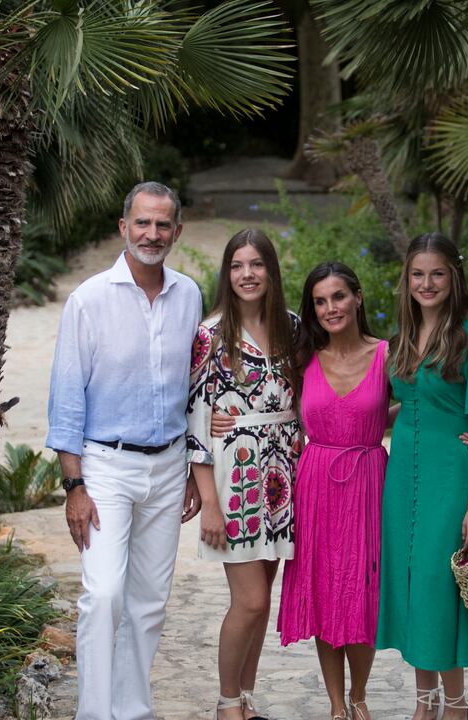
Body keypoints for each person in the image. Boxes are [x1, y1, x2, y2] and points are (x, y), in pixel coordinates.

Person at [45, 181, 203, 720]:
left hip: (168, 467)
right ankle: (94, 714)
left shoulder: (190, 296)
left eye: (163, 225)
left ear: (176, 231)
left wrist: (190, 472)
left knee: (148, 603)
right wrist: (74, 487)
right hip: (105, 467)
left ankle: (133, 710)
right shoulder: (88, 300)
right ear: (123, 228)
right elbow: (66, 399)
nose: (152, 234)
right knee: (104, 594)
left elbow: (195, 388)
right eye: (142, 223)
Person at [378, 232, 468, 720]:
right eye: (418, 274)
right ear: (406, 279)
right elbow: (411, 402)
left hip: (448, 477)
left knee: (440, 587)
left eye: (437, 273)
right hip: (402, 481)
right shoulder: (400, 339)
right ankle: (423, 704)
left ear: (454, 276)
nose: (427, 283)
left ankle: (455, 706)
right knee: (414, 584)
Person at [185, 229, 301, 720]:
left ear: (271, 271)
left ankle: (247, 700)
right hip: (236, 479)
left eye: (256, 264)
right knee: (250, 602)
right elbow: (195, 422)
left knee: (264, 597)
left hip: (286, 474)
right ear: (226, 273)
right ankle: (227, 702)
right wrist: (209, 502)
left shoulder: (295, 328)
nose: (247, 274)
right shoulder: (210, 336)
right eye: (237, 265)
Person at [277, 262, 389, 720]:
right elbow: (266, 406)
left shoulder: (388, 354)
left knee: (362, 591)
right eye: (320, 302)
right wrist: (223, 422)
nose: (330, 309)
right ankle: (336, 706)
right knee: (326, 590)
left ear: (358, 298)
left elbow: (421, 401)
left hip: (368, 481)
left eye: (338, 297)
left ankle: (359, 696)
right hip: (317, 483)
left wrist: (463, 434)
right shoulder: (303, 359)